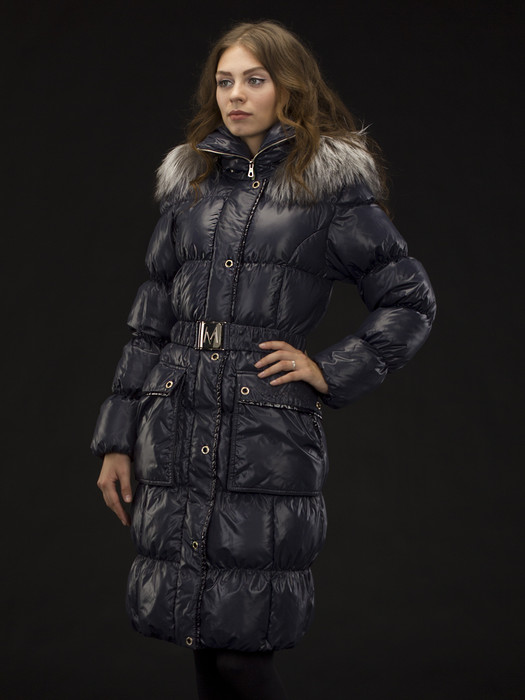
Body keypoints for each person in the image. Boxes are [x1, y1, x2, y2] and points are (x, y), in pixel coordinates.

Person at [91, 19, 436, 700]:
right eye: (225, 81)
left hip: (262, 437)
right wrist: (116, 440)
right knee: (204, 644)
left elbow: (408, 300)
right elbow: (150, 324)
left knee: (241, 654)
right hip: (178, 424)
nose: (236, 95)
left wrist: (329, 369)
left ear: (289, 87)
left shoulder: (326, 188)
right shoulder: (192, 186)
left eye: (254, 79)